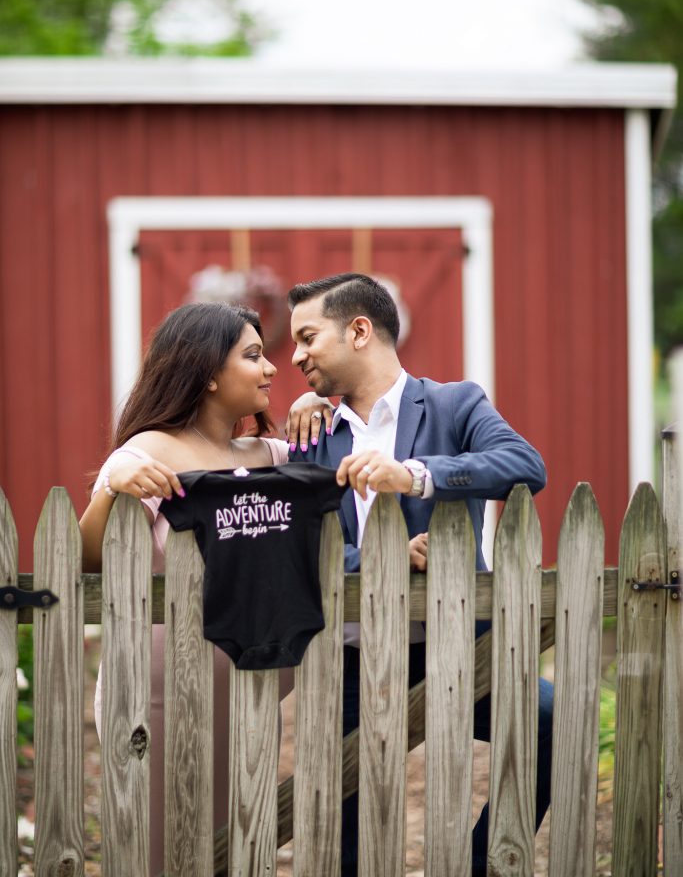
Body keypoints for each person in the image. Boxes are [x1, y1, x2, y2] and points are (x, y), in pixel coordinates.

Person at [286, 272, 552, 877]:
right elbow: (300, 544)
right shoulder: (310, 432)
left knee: (551, 722)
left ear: (359, 331)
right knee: (350, 831)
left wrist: (416, 475)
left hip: (460, 643)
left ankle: (478, 863)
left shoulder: (457, 404)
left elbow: (525, 465)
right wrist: (380, 560)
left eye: (307, 338)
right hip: (353, 655)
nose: (295, 356)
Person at [79, 301, 297, 877]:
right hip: (157, 696)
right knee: (159, 851)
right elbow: (85, 564)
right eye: (253, 356)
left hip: (251, 692)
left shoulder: (272, 456)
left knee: (236, 851)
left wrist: (312, 411)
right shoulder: (149, 451)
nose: (271, 368)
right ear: (207, 373)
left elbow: (334, 534)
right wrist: (111, 489)